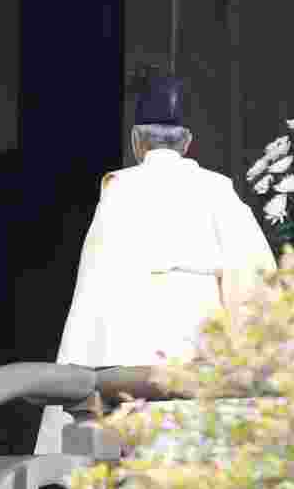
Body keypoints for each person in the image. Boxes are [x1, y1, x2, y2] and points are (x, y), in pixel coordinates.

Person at [35, 75, 277, 454]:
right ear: (188, 142)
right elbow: (253, 277)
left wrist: (76, 364)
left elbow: (91, 287)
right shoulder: (217, 188)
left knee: (131, 466)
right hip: (199, 346)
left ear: (136, 142)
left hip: (126, 349)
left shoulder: (118, 190)